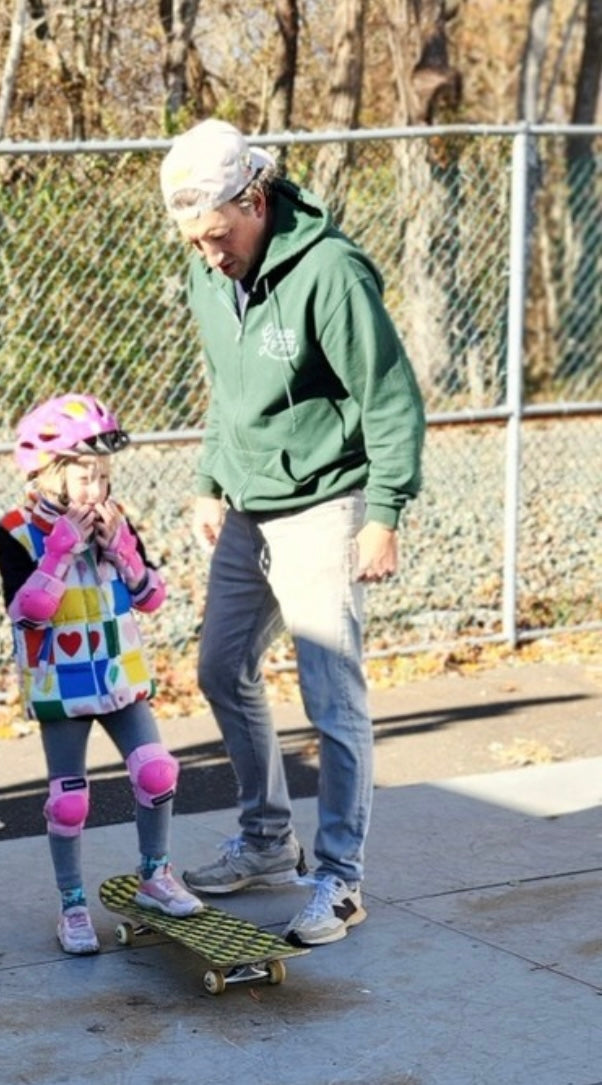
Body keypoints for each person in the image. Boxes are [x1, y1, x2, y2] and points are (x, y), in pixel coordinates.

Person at [158, 119, 426, 946]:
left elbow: (389, 398)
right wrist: (210, 478)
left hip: (323, 500)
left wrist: (384, 512)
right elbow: (226, 386)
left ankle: (339, 878)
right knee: (221, 667)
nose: (209, 255)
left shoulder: (330, 273)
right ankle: (269, 843)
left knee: (330, 691)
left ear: (255, 199)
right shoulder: (212, 275)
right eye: (194, 242)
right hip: (246, 503)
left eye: (217, 236)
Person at [0, 393, 203, 954]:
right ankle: (73, 906)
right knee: (69, 800)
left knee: (157, 770)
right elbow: (28, 611)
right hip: (61, 681)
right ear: (48, 474)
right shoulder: (17, 529)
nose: (97, 489)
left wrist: (125, 551)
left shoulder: (115, 518)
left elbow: (151, 597)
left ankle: (155, 877)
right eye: (85, 476)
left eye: (103, 475)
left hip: (118, 670)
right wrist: (58, 553)